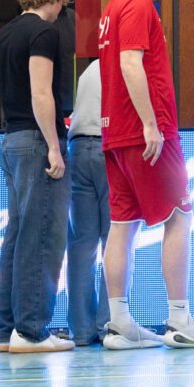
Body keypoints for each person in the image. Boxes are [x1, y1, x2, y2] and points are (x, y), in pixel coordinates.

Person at [98, 0, 194, 350]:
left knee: (122, 225)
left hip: (114, 132)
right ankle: (179, 319)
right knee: (179, 216)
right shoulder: (139, 4)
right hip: (144, 132)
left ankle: (120, 324)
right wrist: (150, 123)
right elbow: (130, 62)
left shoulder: (112, 8)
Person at [0, 0, 73, 353]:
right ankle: (32, 331)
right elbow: (42, 93)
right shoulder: (44, 32)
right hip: (36, 142)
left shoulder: (5, 34)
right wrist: (54, 146)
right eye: (63, 4)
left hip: (10, 140)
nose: (62, 12)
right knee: (42, 236)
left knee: (17, 236)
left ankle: (8, 330)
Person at [66, 59, 110, 346]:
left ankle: (81, 330)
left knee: (81, 245)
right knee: (116, 240)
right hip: (110, 149)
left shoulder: (90, 68)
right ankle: (111, 325)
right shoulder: (129, 63)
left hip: (78, 148)